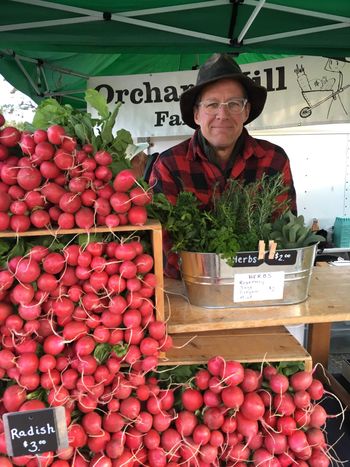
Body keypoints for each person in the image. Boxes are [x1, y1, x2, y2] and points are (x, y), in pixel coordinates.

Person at [149, 53, 297, 276]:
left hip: (257, 285)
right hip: (189, 289)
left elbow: (284, 234)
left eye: (234, 104)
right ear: (197, 114)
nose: (223, 114)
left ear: (246, 111)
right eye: (212, 104)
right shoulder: (169, 164)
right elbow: (163, 246)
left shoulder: (274, 159)